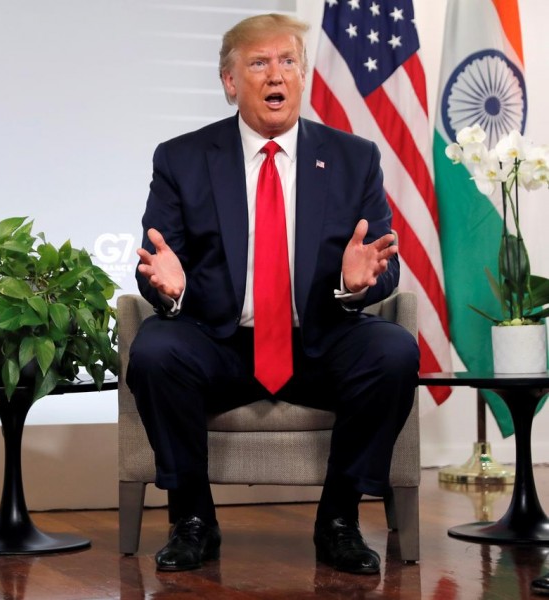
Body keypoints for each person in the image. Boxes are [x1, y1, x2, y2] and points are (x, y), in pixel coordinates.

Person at [127, 14, 419, 575]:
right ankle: (192, 519)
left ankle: (339, 519)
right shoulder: (182, 158)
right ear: (230, 81)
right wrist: (171, 287)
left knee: (393, 351)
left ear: (303, 76)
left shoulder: (354, 157)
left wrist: (356, 284)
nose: (275, 74)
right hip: (219, 340)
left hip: (319, 338)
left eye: (287, 61)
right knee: (156, 350)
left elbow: (384, 268)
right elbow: (155, 260)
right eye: (258, 63)